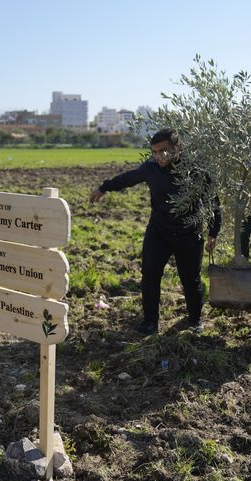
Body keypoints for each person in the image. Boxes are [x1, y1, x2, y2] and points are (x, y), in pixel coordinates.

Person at [89, 128, 221, 335]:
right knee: (150, 274)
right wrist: (104, 188)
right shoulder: (151, 168)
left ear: (178, 148)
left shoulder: (196, 171)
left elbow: (213, 202)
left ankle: (195, 320)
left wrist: (214, 232)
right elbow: (128, 178)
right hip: (159, 232)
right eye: (155, 152)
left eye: (164, 151)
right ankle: (150, 322)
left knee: (191, 279)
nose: (159, 156)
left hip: (189, 234)